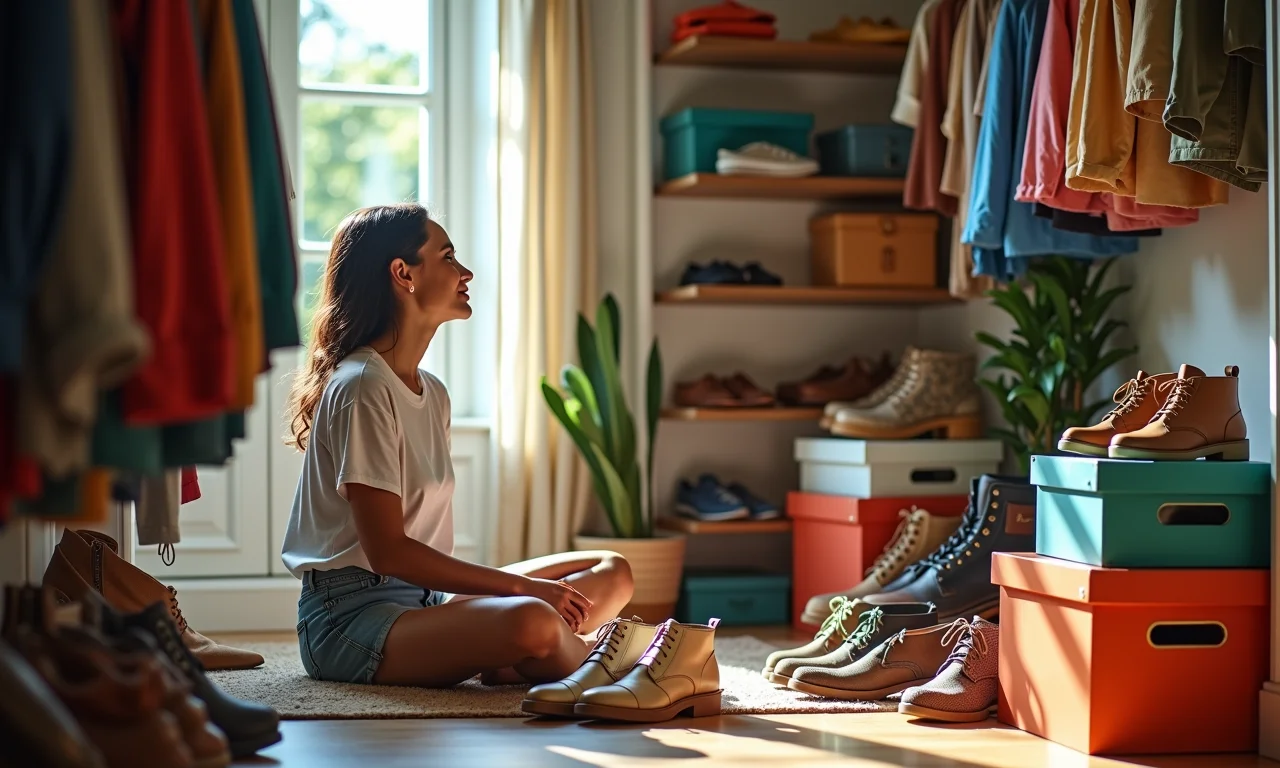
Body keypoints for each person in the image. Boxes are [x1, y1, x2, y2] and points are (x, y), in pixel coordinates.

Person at [281, 203, 634, 687]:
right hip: (350, 622)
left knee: (610, 571)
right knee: (531, 616)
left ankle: (529, 654)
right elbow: (389, 554)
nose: (465, 272)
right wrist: (523, 590)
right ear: (402, 274)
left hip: (428, 600)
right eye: (448, 257)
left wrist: (527, 593)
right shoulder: (362, 386)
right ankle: (609, 661)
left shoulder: (432, 392)